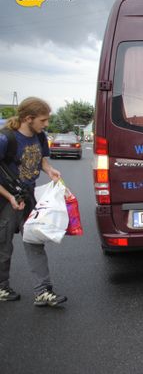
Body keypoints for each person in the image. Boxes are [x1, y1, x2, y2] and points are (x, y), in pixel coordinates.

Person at [0, 97, 66, 306]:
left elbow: (41, 158)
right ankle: (2, 287)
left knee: (35, 242)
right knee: (3, 246)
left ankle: (43, 292)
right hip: (6, 200)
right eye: (43, 120)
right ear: (28, 118)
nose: (46, 124)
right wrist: (10, 197)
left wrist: (48, 170)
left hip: (28, 197)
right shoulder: (5, 139)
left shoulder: (39, 136)